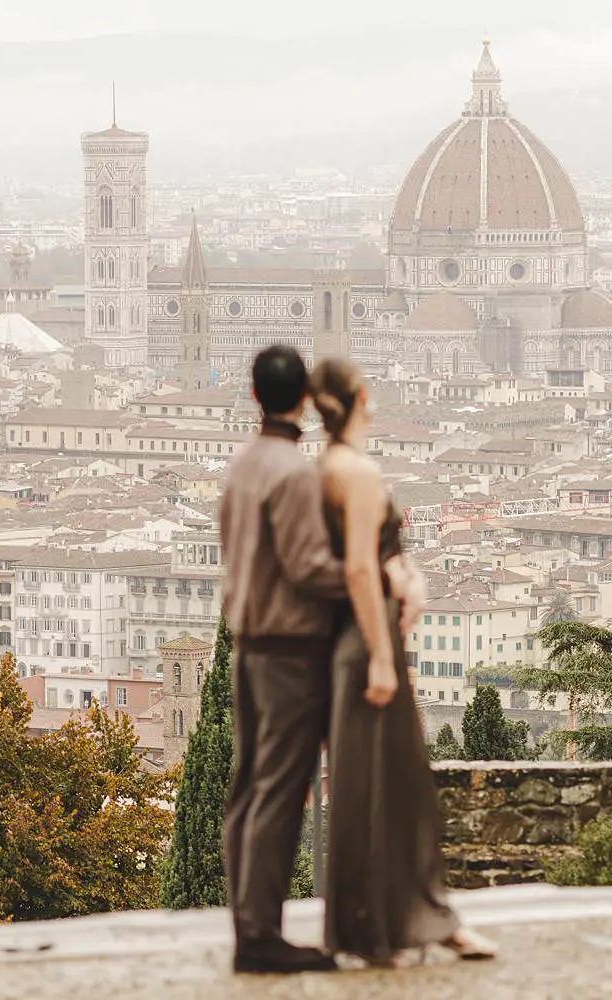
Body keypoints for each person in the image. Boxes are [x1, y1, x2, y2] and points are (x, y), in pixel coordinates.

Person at [218, 345, 421, 975]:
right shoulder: (294, 474)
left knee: (247, 787)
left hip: (246, 644)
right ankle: (261, 936)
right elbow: (309, 568)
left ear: (255, 394)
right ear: (303, 399)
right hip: (288, 652)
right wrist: (380, 579)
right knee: (280, 791)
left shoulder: (240, 466)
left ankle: (247, 924)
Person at [310, 357, 498, 967]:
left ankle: (376, 929)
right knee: (403, 788)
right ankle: (422, 921)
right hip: (371, 643)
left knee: (365, 787)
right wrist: (384, 654)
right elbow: (360, 567)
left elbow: (361, 560)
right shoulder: (358, 472)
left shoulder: (325, 469)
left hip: (351, 640)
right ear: (363, 398)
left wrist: (402, 577)